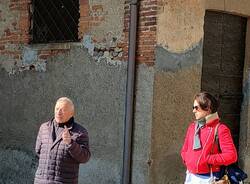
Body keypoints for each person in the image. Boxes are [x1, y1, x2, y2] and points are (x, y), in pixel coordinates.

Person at [181, 92, 237, 184]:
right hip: (190, 176)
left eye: (196, 108)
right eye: (193, 108)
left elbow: (231, 156)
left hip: (209, 178)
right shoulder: (192, 127)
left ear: (208, 108)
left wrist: (207, 159)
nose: (193, 111)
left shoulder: (221, 129)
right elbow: (185, 149)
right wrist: (187, 159)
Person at [34, 97, 91, 184]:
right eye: (57, 109)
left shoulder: (79, 132)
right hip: (41, 181)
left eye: (63, 109)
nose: (58, 112)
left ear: (71, 113)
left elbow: (85, 157)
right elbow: (38, 151)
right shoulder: (44, 127)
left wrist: (70, 143)